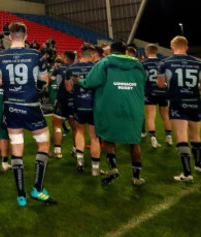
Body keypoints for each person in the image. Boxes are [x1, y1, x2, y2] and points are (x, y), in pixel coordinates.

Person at [0, 23, 55, 207]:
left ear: (10, 37)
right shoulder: (35, 55)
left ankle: (21, 195)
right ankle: (37, 188)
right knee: (43, 144)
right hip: (31, 106)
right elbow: (44, 81)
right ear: (26, 36)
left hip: (11, 106)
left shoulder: (0, 56)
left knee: (17, 148)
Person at [76, 41, 146, 186]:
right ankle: (136, 177)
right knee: (134, 142)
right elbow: (142, 80)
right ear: (125, 51)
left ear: (111, 50)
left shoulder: (105, 62)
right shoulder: (138, 65)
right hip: (133, 107)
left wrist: (79, 81)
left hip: (109, 106)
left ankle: (113, 168)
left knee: (108, 138)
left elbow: (91, 82)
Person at [157, 36, 201, 182]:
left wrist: (173, 86)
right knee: (196, 135)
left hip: (177, 101)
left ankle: (187, 174)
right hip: (194, 101)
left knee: (181, 137)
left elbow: (160, 84)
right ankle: (198, 165)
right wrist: (192, 87)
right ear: (186, 47)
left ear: (172, 47)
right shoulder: (199, 63)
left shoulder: (165, 63)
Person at [65, 44, 102, 175]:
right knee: (94, 137)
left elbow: (68, 88)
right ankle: (95, 168)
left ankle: (80, 160)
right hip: (94, 106)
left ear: (80, 54)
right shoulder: (97, 67)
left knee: (80, 131)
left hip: (79, 104)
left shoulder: (71, 68)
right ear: (92, 55)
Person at [142, 43, 173, 148]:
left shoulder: (144, 63)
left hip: (149, 91)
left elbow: (142, 78)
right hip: (163, 91)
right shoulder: (163, 62)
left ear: (146, 51)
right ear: (156, 52)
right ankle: (169, 138)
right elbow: (168, 78)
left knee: (151, 116)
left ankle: (153, 139)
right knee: (165, 115)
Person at [50, 51, 76, 159]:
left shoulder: (59, 68)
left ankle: (57, 151)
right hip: (74, 100)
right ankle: (76, 150)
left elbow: (50, 79)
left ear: (65, 58)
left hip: (62, 99)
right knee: (75, 127)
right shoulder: (78, 68)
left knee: (56, 125)